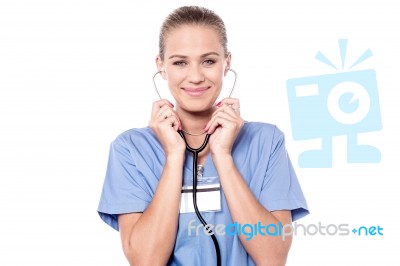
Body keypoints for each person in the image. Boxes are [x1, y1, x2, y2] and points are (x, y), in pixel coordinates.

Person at [98, 5, 309, 266]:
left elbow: (273, 257)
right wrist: (174, 155)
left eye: (208, 61)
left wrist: (223, 155)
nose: (196, 76)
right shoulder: (130, 149)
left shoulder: (266, 141)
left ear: (227, 62)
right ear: (161, 66)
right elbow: (146, 261)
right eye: (180, 62)